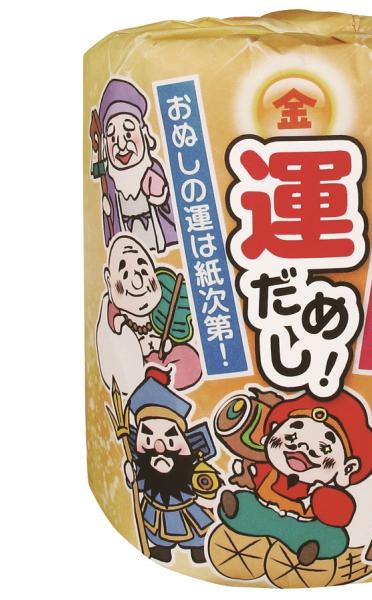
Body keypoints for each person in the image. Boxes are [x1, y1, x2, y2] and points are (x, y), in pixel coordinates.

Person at [216, 389, 372, 566]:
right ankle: (236, 510)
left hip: (299, 523)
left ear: (346, 469)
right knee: (246, 502)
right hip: (264, 511)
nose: (303, 448)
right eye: (294, 434)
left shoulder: (323, 491)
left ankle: (309, 548)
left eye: (324, 448)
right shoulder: (268, 467)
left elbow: (337, 514)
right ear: (273, 431)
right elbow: (252, 467)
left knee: (333, 536)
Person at [124, 367, 220, 564]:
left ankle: (198, 548)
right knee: (156, 531)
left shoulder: (193, 461)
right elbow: (138, 484)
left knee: (195, 530)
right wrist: (130, 475)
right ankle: (163, 548)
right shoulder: (144, 466)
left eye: (169, 438)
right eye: (148, 438)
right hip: (155, 507)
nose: (159, 446)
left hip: (186, 507)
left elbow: (207, 484)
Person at [96, 235, 201, 398]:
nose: (137, 283)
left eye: (144, 271)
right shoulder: (114, 316)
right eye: (125, 274)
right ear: (109, 280)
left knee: (189, 358)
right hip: (139, 367)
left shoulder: (163, 307)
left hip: (164, 361)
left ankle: (164, 383)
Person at [94, 78, 177, 252]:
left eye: (128, 133)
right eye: (112, 137)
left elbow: (173, 210)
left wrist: (161, 197)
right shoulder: (109, 180)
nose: (122, 145)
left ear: (144, 133)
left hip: (158, 237)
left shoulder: (153, 169)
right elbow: (110, 224)